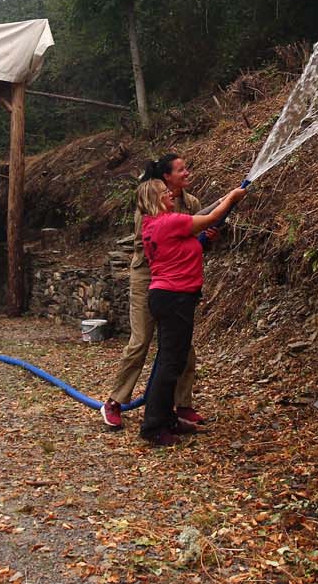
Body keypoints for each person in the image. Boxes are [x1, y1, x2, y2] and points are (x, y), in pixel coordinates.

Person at [137, 177, 246, 446]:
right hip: (174, 299)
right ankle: (154, 427)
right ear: (154, 200)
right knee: (170, 364)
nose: (171, 194)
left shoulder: (153, 225)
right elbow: (209, 218)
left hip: (168, 297)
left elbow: (186, 247)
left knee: (171, 361)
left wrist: (203, 242)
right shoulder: (168, 221)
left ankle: (166, 419)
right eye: (165, 193)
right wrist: (231, 199)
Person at [101, 154, 206, 430]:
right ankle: (114, 401)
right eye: (181, 170)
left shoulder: (191, 203)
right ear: (166, 178)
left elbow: (191, 241)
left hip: (174, 279)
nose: (187, 173)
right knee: (141, 340)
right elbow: (154, 241)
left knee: (182, 345)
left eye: (187, 167)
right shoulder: (149, 203)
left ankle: (182, 404)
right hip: (148, 275)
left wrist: (206, 238)